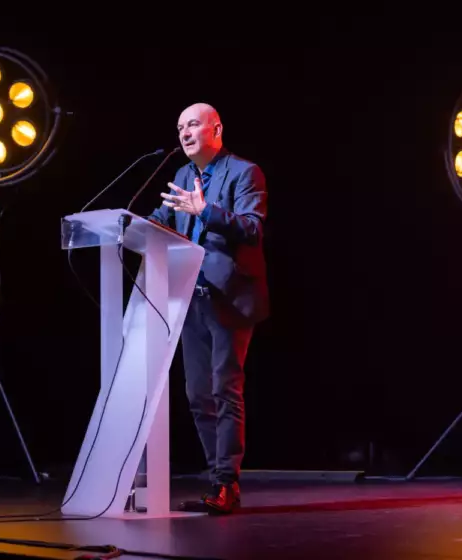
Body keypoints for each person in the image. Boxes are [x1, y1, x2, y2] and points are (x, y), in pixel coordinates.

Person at [146, 102, 269, 514]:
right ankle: (214, 479)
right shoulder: (183, 175)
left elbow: (252, 228)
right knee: (198, 394)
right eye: (180, 126)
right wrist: (127, 226)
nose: (184, 132)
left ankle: (226, 484)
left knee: (225, 388)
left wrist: (206, 212)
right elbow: (161, 218)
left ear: (216, 129)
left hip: (230, 296)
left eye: (193, 124)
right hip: (190, 297)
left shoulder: (244, 172)